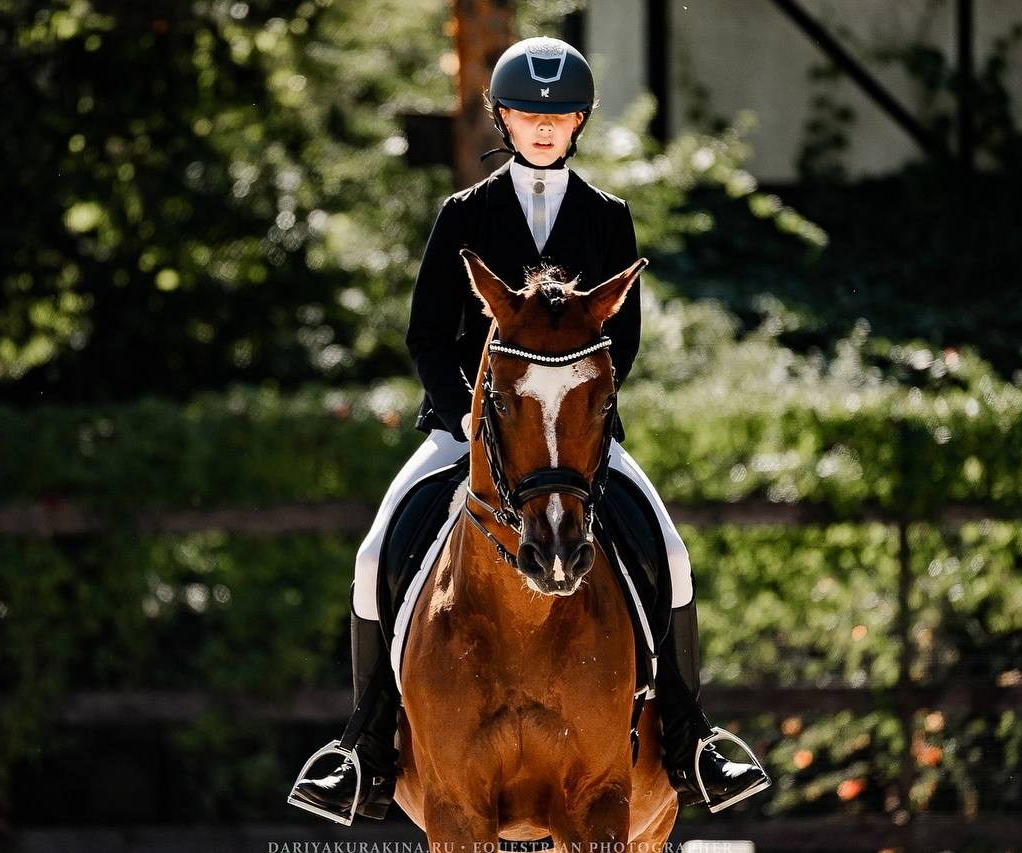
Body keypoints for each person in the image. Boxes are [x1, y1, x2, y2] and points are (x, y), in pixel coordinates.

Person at [289, 36, 770, 824]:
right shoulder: (463, 215)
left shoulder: (608, 217)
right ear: (503, 118)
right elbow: (425, 335)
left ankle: (690, 737)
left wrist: (580, 421)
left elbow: (627, 339)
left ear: (578, 121)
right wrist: (469, 421)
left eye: (559, 115)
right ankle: (365, 746)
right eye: (528, 114)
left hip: (573, 440)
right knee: (375, 551)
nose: (543, 129)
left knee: (674, 555)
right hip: (468, 429)